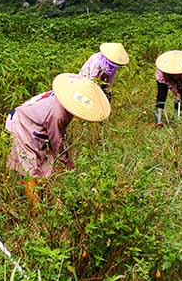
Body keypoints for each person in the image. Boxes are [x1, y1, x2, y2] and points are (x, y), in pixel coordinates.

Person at [6, 73, 110, 206]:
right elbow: (57, 143)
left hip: (35, 124)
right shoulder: (58, 114)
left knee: (45, 164)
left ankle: (44, 200)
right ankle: (36, 212)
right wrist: (68, 164)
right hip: (21, 123)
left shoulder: (64, 98)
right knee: (30, 169)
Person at [154, 50, 182, 126]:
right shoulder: (164, 73)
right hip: (164, 80)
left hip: (180, 79)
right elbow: (169, 83)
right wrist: (176, 94)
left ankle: (178, 116)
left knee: (181, 97)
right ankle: (158, 120)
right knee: (161, 97)